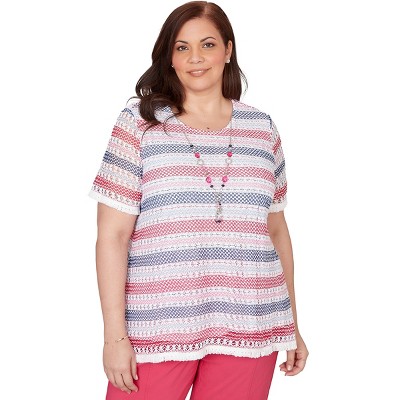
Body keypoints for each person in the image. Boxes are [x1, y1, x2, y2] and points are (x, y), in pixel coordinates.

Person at [88, 2, 308, 399]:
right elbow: (112, 236)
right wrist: (114, 337)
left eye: (207, 44)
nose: (195, 58)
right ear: (169, 58)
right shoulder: (139, 124)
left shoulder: (262, 129)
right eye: (182, 47)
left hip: (252, 323)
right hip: (157, 327)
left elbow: (276, 232)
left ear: (227, 50)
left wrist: (292, 324)